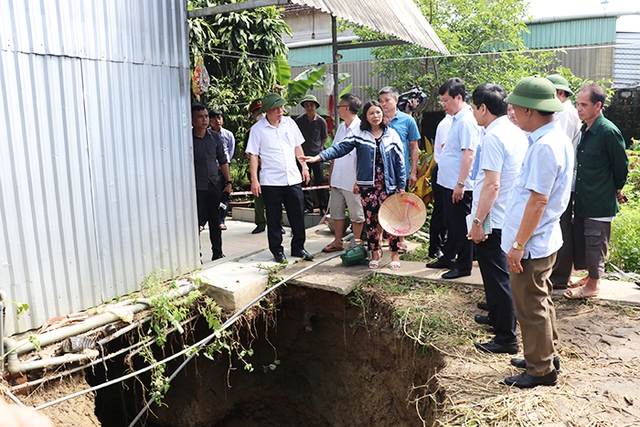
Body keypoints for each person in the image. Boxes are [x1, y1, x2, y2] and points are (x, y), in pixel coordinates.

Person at [501, 76, 573, 388]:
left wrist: (518, 244)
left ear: (531, 111)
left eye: (515, 108)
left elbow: (538, 200)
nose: (512, 114)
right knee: (540, 300)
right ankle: (543, 353)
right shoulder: (550, 139)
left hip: (532, 241)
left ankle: (540, 369)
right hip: (542, 237)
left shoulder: (545, 146)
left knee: (530, 307)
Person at [301, 100, 406, 270]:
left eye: (378, 112)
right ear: (365, 116)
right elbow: (340, 148)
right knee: (371, 222)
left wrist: (402, 186)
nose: (375, 116)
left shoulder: (392, 134)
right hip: (367, 187)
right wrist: (318, 157)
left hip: (389, 186)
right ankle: (375, 253)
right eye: (371, 113)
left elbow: (400, 162)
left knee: (390, 221)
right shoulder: (360, 134)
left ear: (383, 114)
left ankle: (394, 254)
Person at [467, 84, 528, 354]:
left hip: (495, 218)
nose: (473, 113)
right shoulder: (515, 131)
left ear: (483, 108)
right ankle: (497, 318)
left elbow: (492, 185)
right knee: (496, 276)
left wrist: (479, 222)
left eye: (473, 108)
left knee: (497, 278)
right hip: (508, 214)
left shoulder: (493, 136)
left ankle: (506, 338)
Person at [564, 83, 629, 299]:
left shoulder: (608, 131)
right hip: (584, 197)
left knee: (595, 241)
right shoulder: (585, 128)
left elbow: (621, 165)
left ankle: (593, 285)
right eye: (577, 104)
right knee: (582, 238)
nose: (579, 109)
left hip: (599, 199)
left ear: (598, 105)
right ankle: (589, 277)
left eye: (584, 104)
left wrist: (617, 187)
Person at [246, 93, 314, 263]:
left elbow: (298, 147)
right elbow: (253, 155)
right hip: (271, 181)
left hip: (292, 178)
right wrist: (254, 180)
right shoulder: (258, 129)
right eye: (276, 108)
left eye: (282, 107)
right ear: (267, 111)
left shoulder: (290, 124)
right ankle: (277, 250)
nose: (280, 111)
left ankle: (298, 247)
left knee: (297, 215)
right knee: (274, 218)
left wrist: (304, 167)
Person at [426, 78, 480, 279]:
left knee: (460, 226)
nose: (443, 105)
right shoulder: (456, 119)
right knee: (450, 222)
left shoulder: (467, 121)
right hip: (447, 182)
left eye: (446, 100)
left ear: (459, 97)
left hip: (459, 185)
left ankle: (464, 264)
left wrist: (460, 183)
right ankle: (448, 256)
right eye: (441, 100)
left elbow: (469, 154)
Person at [546, 75, 582, 289]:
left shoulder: (566, 114)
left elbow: (560, 147)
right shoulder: (563, 112)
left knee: (563, 226)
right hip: (561, 179)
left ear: (560, 94)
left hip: (563, 180)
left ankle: (560, 275)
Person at [378, 86, 421, 253]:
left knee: (400, 205)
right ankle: (380, 240)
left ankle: (400, 239)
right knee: (380, 205)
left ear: (396, 100)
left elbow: (414, 147)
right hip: (380, 172)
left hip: (400, 172)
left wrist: (413, 171)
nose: (383, 104)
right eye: (381, 101)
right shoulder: (375, 119)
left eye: (387, 100)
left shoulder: (407, 121)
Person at [322, 93, 365, 252]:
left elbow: (364, 158)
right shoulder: (341, 128)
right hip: (338, 178)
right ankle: (338, 241)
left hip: (353, 179)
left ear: (346, 108)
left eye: (339, 106)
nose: (338, 109)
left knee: (356, 214)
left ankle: (357, 243)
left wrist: (359, 180)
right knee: (336, 211)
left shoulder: (361, 129)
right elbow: (334, 152)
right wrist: (331, 174)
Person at [192, 103, 232, 261]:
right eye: (200, 116)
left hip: (214, 184)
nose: (205, 119)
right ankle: (196, 255)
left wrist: (228, 182)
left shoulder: (215, 137)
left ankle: (217, 252)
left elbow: (223, 160)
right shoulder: (188, 138)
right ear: (193, 119)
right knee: (196, 224)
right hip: (196, 187)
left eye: (206, 116)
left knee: (215, 222)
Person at [295, 94, 328, 215]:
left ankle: (322, 206)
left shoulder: (321, 121)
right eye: (307, 105)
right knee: (304, 182)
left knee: (319, 182)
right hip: (303, 157)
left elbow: (324, 138)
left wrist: (317, 151)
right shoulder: (299, 121)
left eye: (312, 105)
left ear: (316, 107)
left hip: (317, 157)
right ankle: (308, 206)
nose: (309, 108)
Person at [429, 114, 452, 260]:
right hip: (444, 170)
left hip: (452, 172)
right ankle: (435, 247)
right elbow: (445, 151)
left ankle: (444, 246)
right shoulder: (447, 124)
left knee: (449, 213)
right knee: (441, 212)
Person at [210, 109, 236, 231]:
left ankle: (222, 220)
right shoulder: (207, 134)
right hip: (210, 170)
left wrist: (225, 164)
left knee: (224, 196)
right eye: (214, 118)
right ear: (210, 121)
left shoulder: (228, 135)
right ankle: (203, 221)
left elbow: (231, 150)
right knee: (210, 196)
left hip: (223, 169)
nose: (217, 121)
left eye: (219, 118)